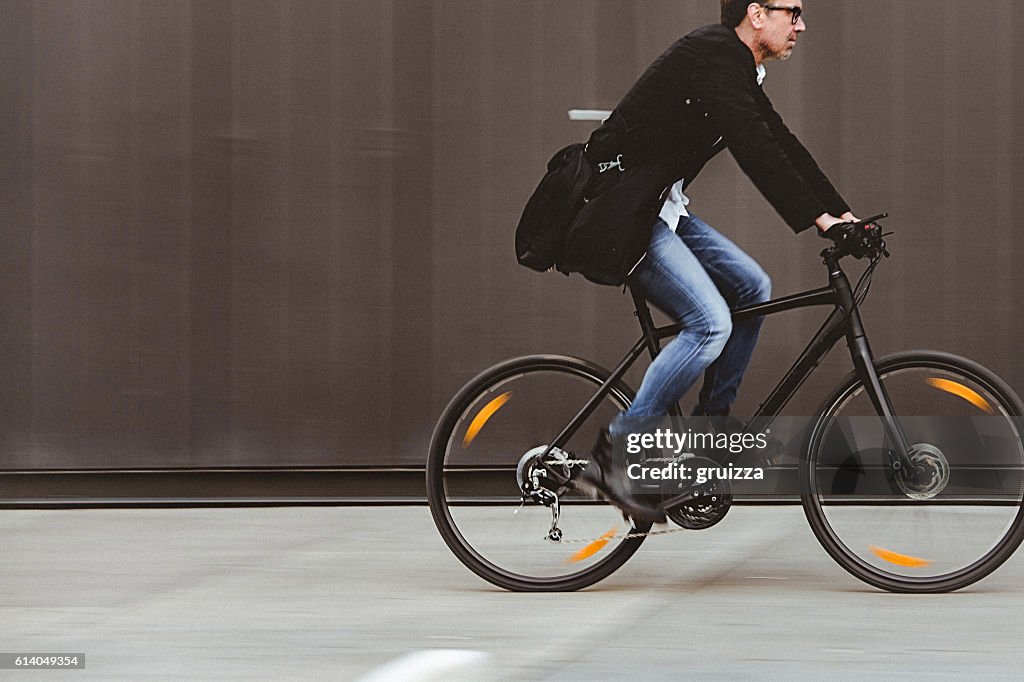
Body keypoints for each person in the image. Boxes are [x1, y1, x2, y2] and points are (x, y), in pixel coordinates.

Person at [572, 0, 859, 523]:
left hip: (662, 210)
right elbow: (754, 148)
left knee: (753, 286)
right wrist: (819, 220)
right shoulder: (713, 54)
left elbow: (781, 143)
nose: (801, 24)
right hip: (623, 214)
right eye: (791, 12)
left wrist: (843, 215)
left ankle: (708, 437)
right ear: (756, 13)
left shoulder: (739, 68)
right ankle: (613, 456)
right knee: (709, 326)